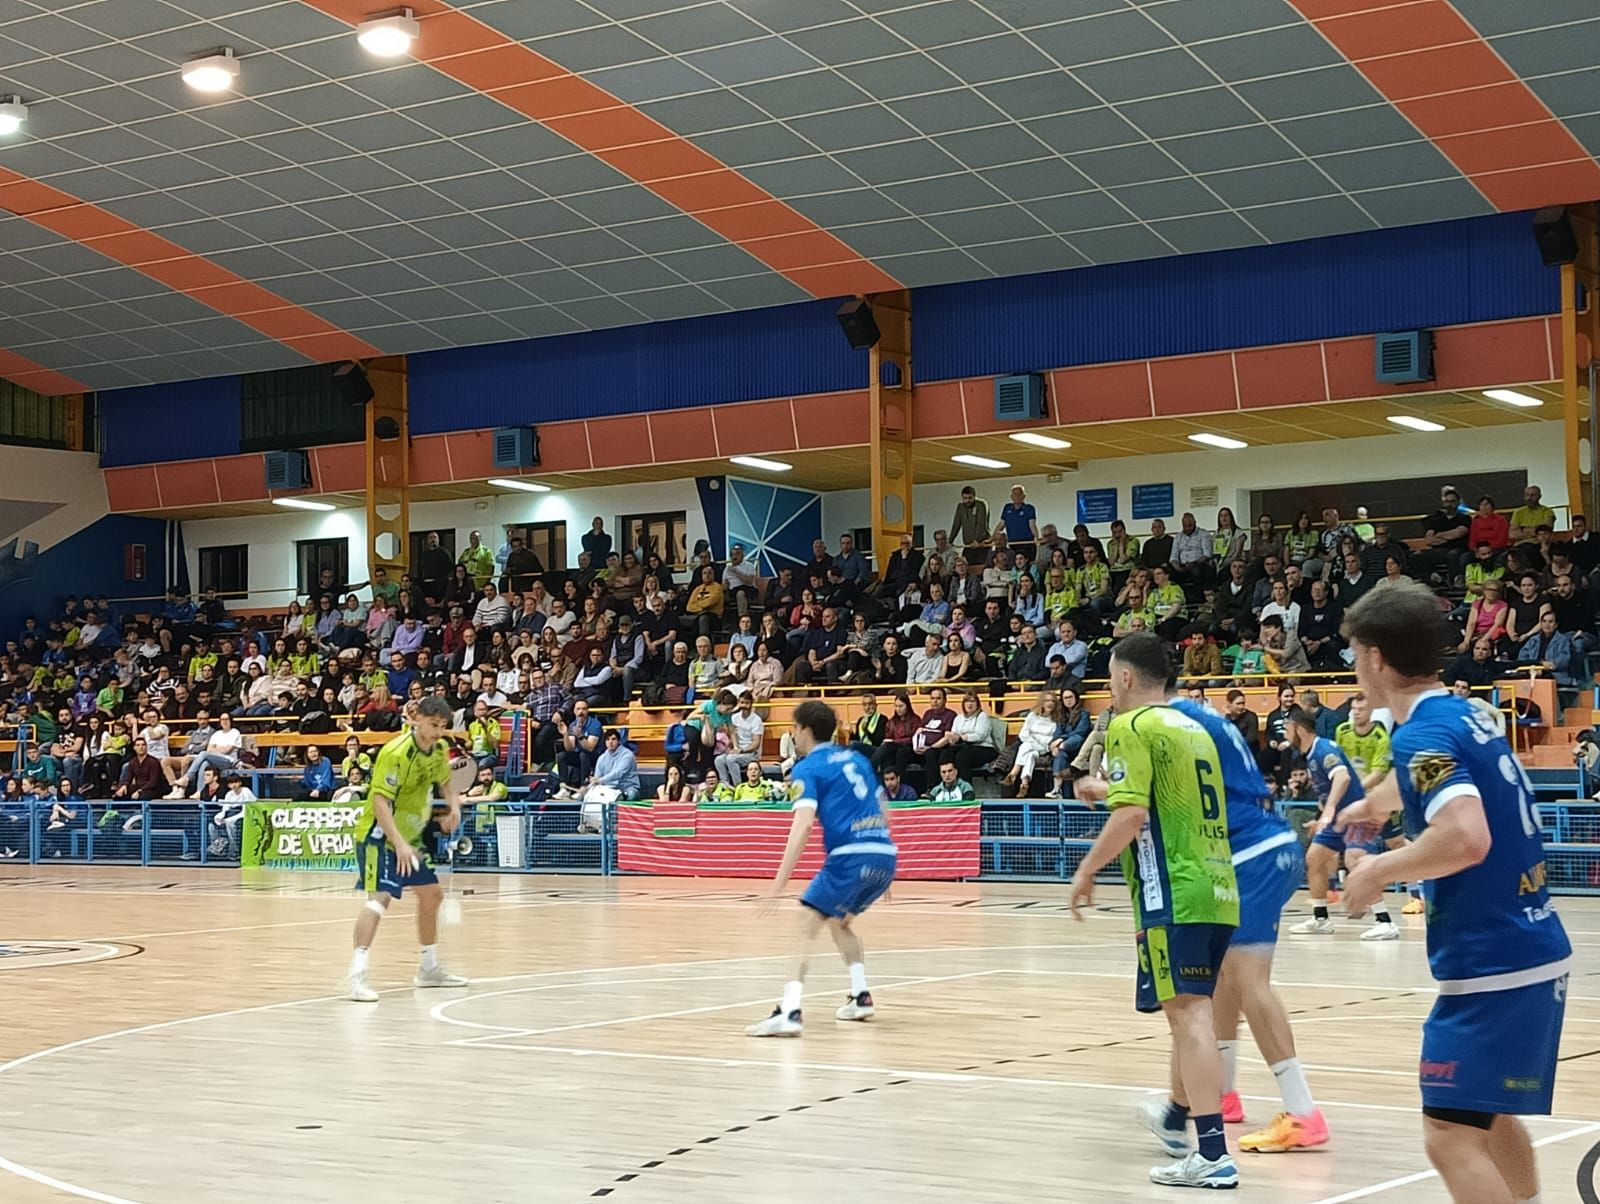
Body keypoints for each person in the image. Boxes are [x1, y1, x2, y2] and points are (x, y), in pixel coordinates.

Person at [1335, 580, 1571, 1204]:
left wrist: (1375, 871)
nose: (1354, 668)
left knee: (1447, 1136)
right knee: (1485, 1118)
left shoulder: (1420, 735)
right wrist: (1371, 805)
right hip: (1527, 946)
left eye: (1355, 654)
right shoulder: (1464, 711)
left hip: (1494, 959)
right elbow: (1444, 785)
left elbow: (1466, 837)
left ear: (1377, 657)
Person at [1068, 632, 1239, 1189]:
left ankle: (1211, 1155)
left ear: (1123, 678)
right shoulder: (1194, 726)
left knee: (1189, 1019)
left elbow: (1133, 816)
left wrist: (1088, 869)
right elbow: (1159, 796)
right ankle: (1183, 1126)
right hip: (1218, 884)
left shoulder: (1129, 725)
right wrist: (1107, 788)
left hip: (1174, 890)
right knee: (1193, 1017)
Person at [1169, 691, 1328, 1154]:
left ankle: (1303, 1114)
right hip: (1261, 847)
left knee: (1249, 980)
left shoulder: (1168, 723)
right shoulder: (1202, 719)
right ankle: (1224, 1093)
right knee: (1222, 982)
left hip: (1251, 853)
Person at [746, 700, 897, 1038]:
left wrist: (778, 883)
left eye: (794, 728)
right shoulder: (856, 757)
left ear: (806, 731)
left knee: (804, 922)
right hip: (883, 852)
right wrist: (883, 862)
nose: (792, 734)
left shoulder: (807, 768)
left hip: (850, 855)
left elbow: (802, 827)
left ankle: (789, 1011)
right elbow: (882, 804)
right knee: (840, 922)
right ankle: (861, 996)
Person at [344, 696, 468, 1003]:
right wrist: (398, 843)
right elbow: (379, 802)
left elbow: (446, 783)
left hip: (409, 840)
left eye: (442, 726)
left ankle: (428, 969)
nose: (438, 732)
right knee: (379, 900)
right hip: (379, 837)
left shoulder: (439, 749)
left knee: (432, 895)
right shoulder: (395, 752)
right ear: (416, 719)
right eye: (433, 725)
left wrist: (454, 808)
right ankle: (356, 976)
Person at [1286, 709, 1396, 940]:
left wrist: (1329, 810)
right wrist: (1321, 816)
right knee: (1314, 858)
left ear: (1299, 729)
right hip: (1337, 818)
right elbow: (1327, 792)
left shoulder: (1324, 749)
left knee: (1355, 860)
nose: (1285, 734)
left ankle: (1385, 921)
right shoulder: (1310, 755)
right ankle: (1320, 918)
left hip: (1356, 814)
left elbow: (1342, 777)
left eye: (1287, 729)